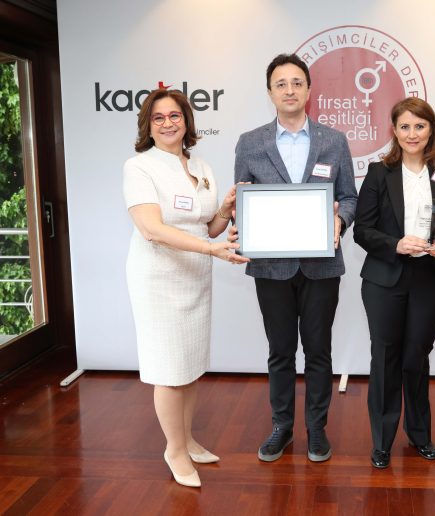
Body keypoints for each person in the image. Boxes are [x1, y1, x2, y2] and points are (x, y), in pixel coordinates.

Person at [233, 53, 357, 463]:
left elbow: (349, 197)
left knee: (319, 351)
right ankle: (281, 427)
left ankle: (317, 429)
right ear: (270, 92)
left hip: (322, 265)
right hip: (271, 267)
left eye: (297, 83)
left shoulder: (333, 141)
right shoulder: (250, 142)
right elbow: (241, 201)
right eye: (281, 84)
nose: (290, 90)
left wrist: (340, 220)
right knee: (280, 351)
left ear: (309, 89)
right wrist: (239, 220)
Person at [123, 89, 249, 488]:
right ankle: (174, 450)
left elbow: (205, 226)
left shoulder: (201, 165)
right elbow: (152, 229)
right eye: (158, 118)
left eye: (174, 116)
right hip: (159, 277)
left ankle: (188, 440)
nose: (167, 123)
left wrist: (224, 211)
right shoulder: (139, 167)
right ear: (148, 126)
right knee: (168, 369)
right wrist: (211, 248)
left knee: (190, 366)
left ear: (186, 121)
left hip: (195, 275)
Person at [353, 98, 435, 469]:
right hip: (385, 278)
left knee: (416, 357)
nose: (412, 134)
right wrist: (395, 244)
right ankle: (382, 440)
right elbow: (362, 230)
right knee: (385, 358)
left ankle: (419, 434)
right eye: (405, 127)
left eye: (419, 126)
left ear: (431, 129)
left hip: (431, 278)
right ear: (394, 131)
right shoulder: (378, 173)